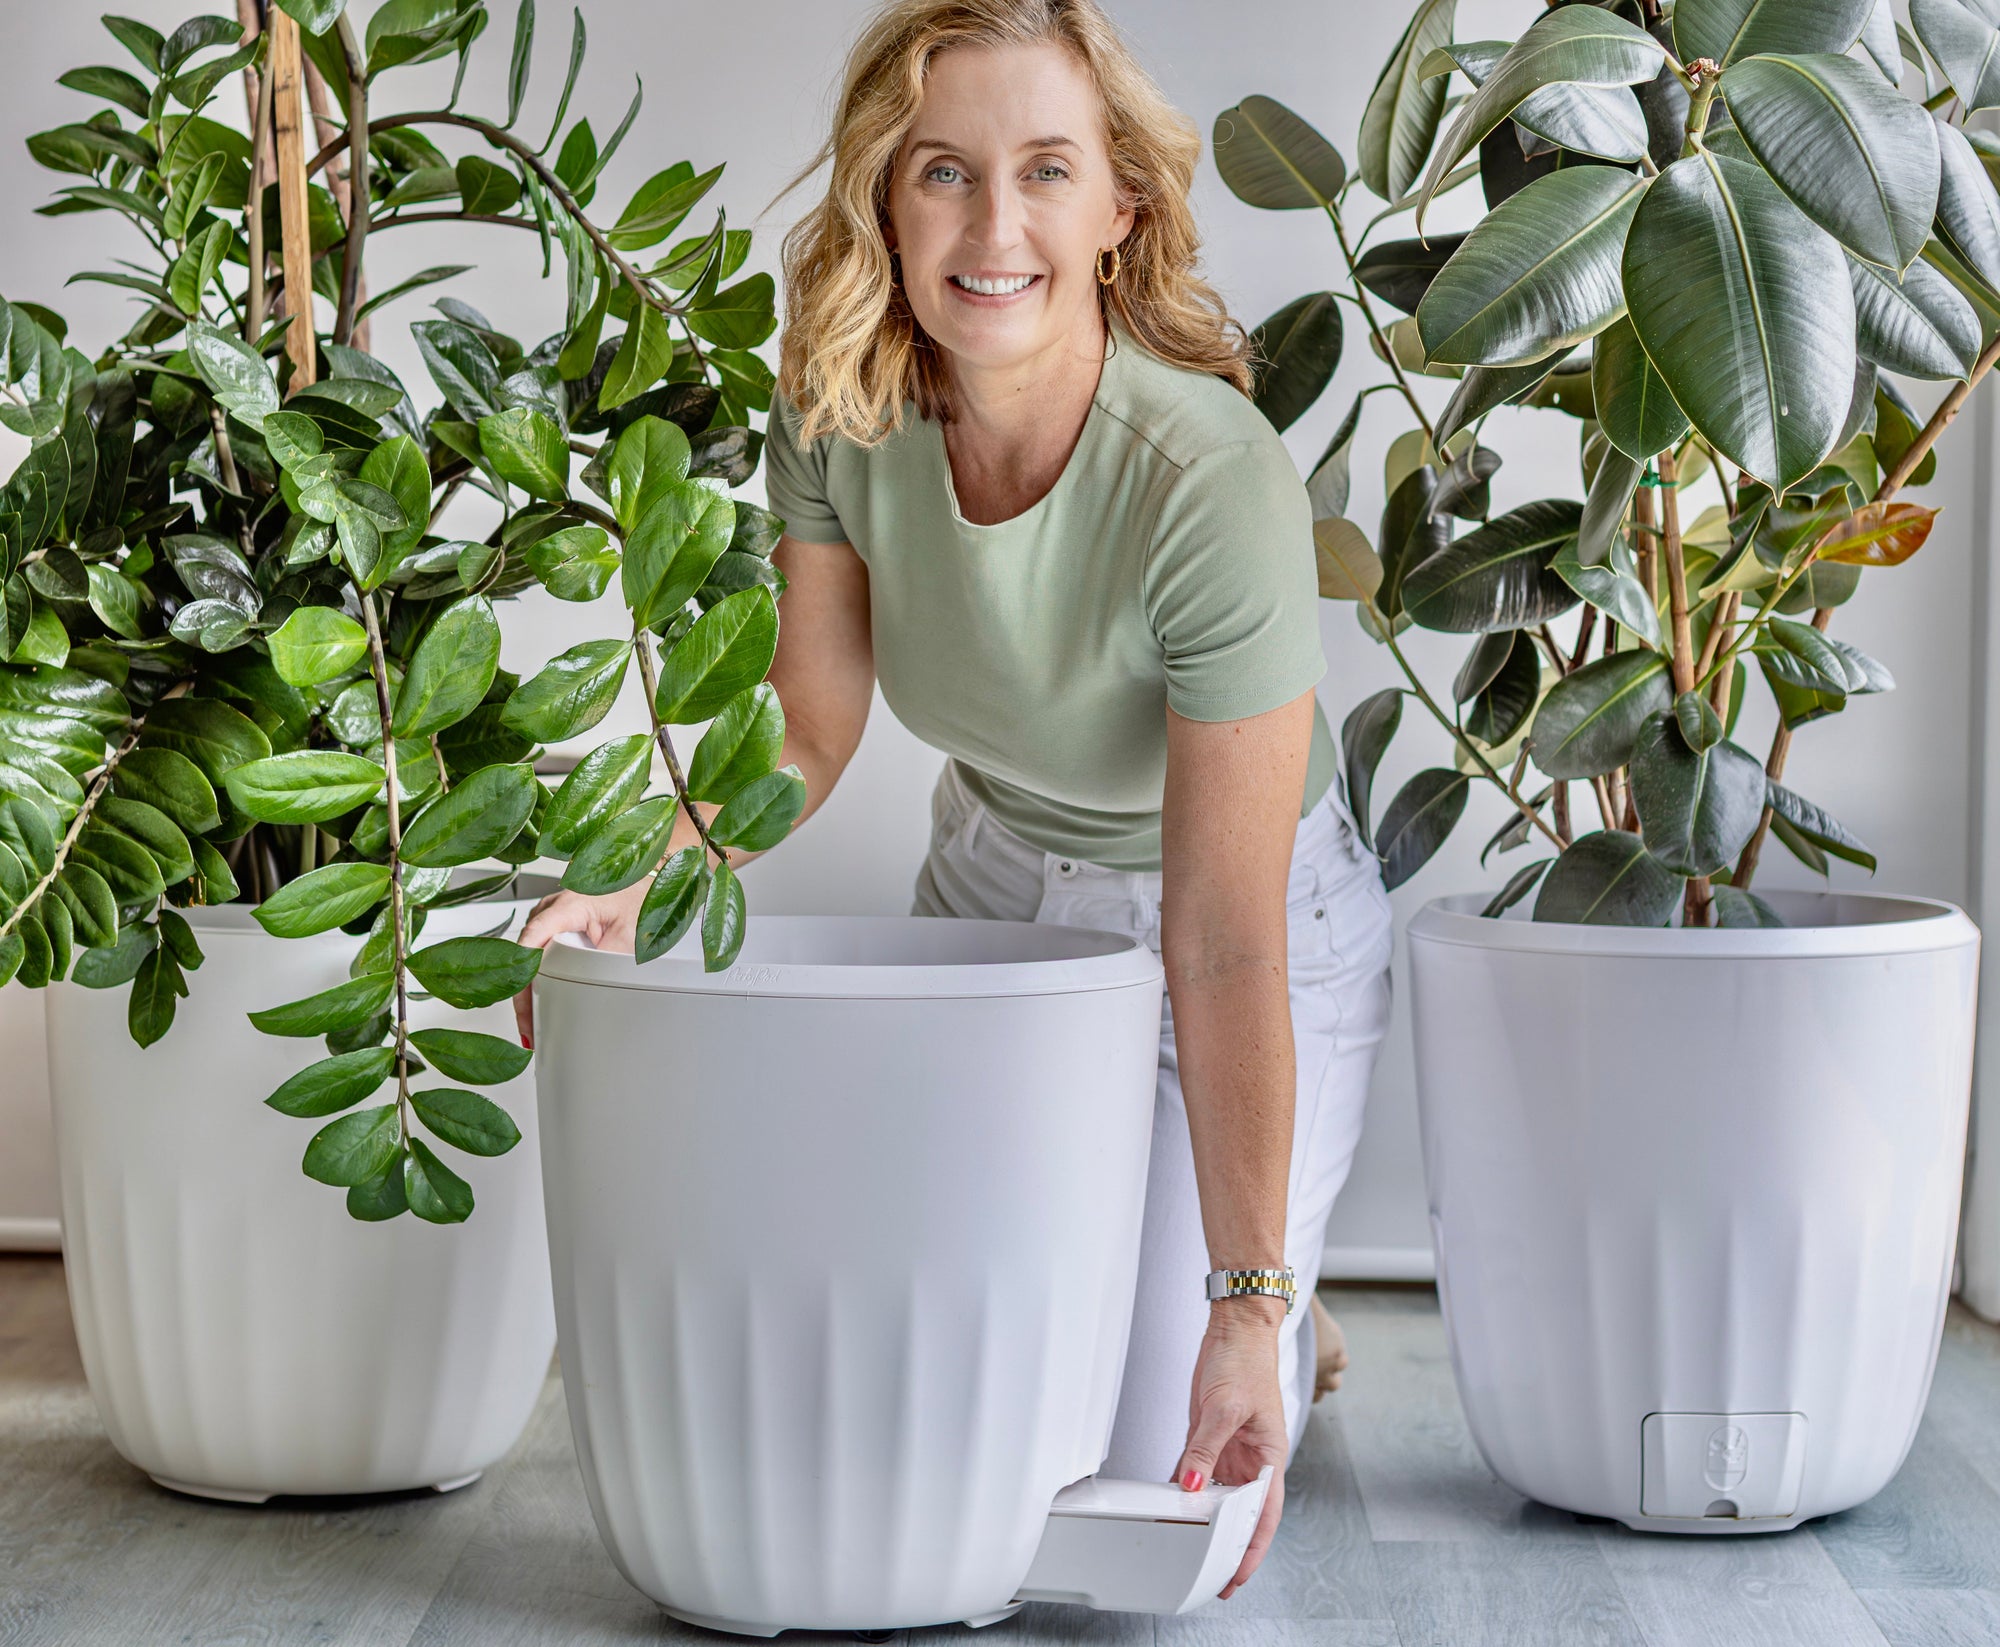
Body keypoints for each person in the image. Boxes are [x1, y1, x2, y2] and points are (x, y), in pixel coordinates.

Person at [512, 0, 1394, 1599]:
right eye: (944, 173)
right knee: (962, 1403)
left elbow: (1220, 929)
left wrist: (1245, 1301)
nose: (996, 228)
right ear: (882, 201)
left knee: (1115, 1513)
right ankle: (1232, 1247)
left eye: (1047, 169)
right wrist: (644, 876)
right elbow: (807, 726)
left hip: (1246, 922)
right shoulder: (841, 409)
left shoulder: (1209, 479)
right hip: (998, 884)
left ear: (1120, 204)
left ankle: (1279, 1275)